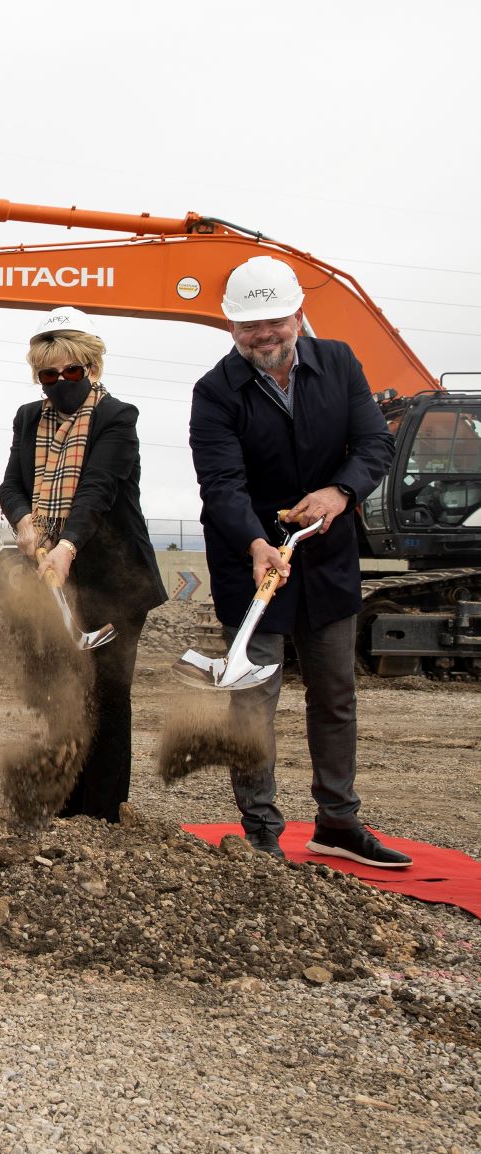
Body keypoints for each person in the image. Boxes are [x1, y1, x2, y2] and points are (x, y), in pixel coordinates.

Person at [190, 256, 409, 866]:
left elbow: (374, 443)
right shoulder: (214, 391)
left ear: (297, 315)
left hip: (328, 556)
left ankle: (338, 821)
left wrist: (340, 492)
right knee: (253, 700)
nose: (264, 335)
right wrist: (256, 543)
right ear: (231, 329)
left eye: (275, 321)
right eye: (248, 326)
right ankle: (260, 829)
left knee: (335, 693)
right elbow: (221, 484)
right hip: (252, 562)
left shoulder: (337, 362)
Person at [0, 307, 168, 822]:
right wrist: (24, 521)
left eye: (70, 371)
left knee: (105, 693)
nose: (59, 382)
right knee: (58, 690)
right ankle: (61, 797)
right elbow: (11, 485)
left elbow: (97, 491)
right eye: (48, 374)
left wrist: (66, 547)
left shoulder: (118, 417)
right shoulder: (29, 417)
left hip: (111, 579)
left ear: (91, 367)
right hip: (47, 580)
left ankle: (101, 809)